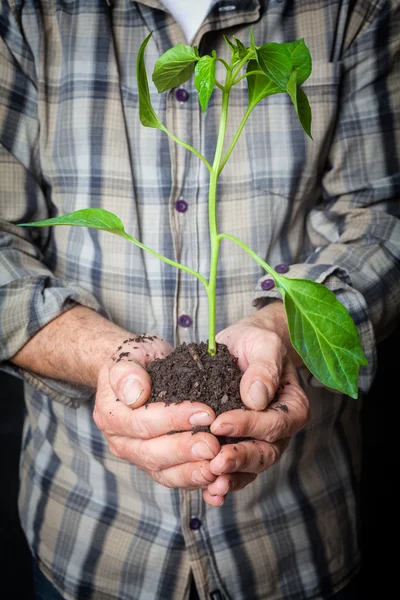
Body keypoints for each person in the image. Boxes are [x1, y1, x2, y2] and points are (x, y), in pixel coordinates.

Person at [0, 1, 399, 599]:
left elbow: (383, 220)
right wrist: (107, 357)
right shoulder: (27, 11)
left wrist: (283, 330)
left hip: (293, 540)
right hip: (90, 531)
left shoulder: (355, 10)